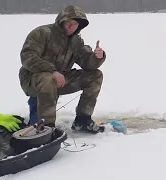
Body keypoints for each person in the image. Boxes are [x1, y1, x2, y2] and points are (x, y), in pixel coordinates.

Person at [18, 5, 106, 134]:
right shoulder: (42, 33)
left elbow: (87, 62)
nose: (71, 27)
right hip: (32, 79)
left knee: (95, 75)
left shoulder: (76, 41)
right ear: (61, 21)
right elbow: (27, 56)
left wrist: (98, 57)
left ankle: (82, 120)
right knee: (48, 78)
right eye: (68, 23)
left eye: (75, 24)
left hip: (60, 79)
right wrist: (52, 70)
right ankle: (46, 128)